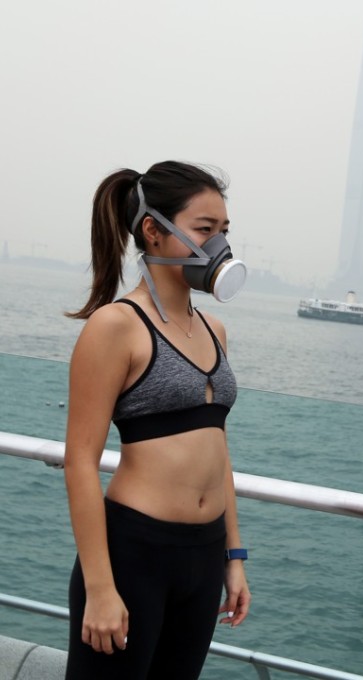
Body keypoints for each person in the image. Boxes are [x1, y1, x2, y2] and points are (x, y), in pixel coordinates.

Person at [64, 161, 251, 679]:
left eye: (225, 231)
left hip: (205, 555)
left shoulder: (215, 330)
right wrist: (101, 588)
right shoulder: (116, 327)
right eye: (205, 230)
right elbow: (80, 462)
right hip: (135, 554)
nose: (219, 246)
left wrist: (234, 557)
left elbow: (218, 450)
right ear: (154, 229)